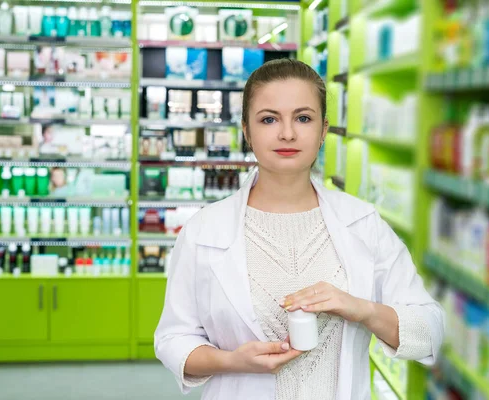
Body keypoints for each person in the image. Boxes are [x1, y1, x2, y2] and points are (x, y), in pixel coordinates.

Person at [155, 59, 444, 399]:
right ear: (246, 131)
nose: (287, 133)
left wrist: (362, 308)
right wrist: (232, 361)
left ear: (323, 130)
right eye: (268, 119)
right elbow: (173, 339)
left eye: (303, 118)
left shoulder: (363, 223)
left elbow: (429, 331)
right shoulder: (204, 231)